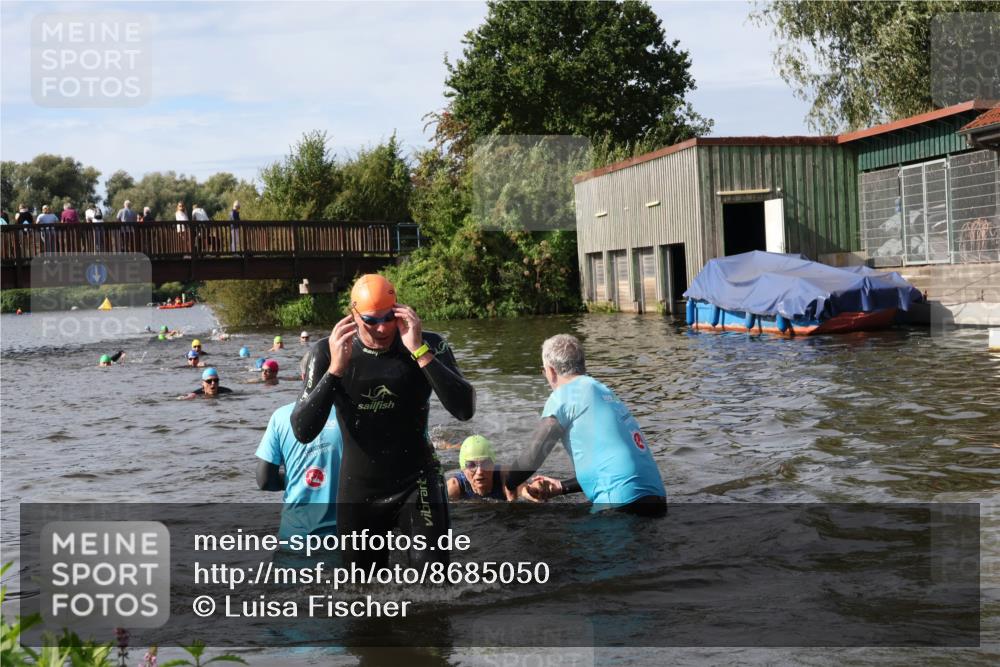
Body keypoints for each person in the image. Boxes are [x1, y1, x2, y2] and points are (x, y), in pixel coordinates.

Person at [291, 274, 475, 568]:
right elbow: (302, 430)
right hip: (360, 491)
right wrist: (336, 370)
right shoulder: (328, 352)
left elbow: (465, 409)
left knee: (435, 588)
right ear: (353, 316)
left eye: (389, 317)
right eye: (371, 320)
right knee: (362, 596)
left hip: (418, 483)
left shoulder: (427, 343)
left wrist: (420, 353)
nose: (383, 328)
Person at [504, 334, 667, 516]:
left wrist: (509, 484)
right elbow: (609, 465)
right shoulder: (603, 391)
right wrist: (562, 487)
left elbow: (533, 456)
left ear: (550, 371)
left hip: (619, 502)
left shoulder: (563, 396)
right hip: (657, 498)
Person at [256, 400, 343, 546]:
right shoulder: (354, 415)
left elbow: (264, 480)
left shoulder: (281, 416)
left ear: (303, 376)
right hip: (344, 535)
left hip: (294, 536)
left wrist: (298, 479)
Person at [446, 435, 557, 502]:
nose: (479, 471)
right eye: (471, 465)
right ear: (463, 468)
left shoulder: (504, 476)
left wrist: (531, 490)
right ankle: (447, 446)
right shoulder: (454, 487)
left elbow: (520, 486)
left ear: (493, 464)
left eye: (486, 463)